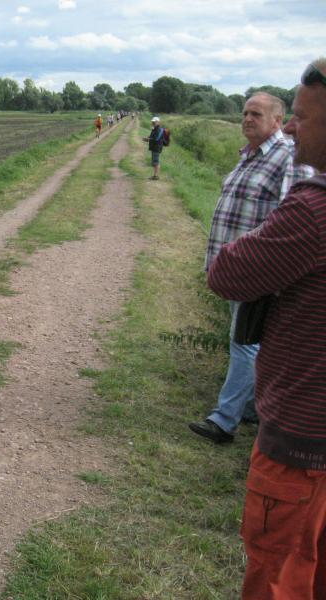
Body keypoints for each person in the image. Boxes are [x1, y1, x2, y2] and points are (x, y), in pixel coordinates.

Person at [207, 59, 326, 600]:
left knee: (278, 573)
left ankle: (228, 415)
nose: (293, 128)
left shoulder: (313, 209)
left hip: (303, 436)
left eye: (303, 116)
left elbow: (228, 273)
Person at [189, 93, 315, 444]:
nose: (247, 119)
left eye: (256, 114)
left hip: (258, 271)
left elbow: (293, 218)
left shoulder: (287, 156)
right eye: (245, 112)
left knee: (244, 343)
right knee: (250, 342)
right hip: (237, 270)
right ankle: (251, 408)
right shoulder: (250, 155)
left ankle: (224, 421)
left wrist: (261, 265)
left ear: (278, 120)